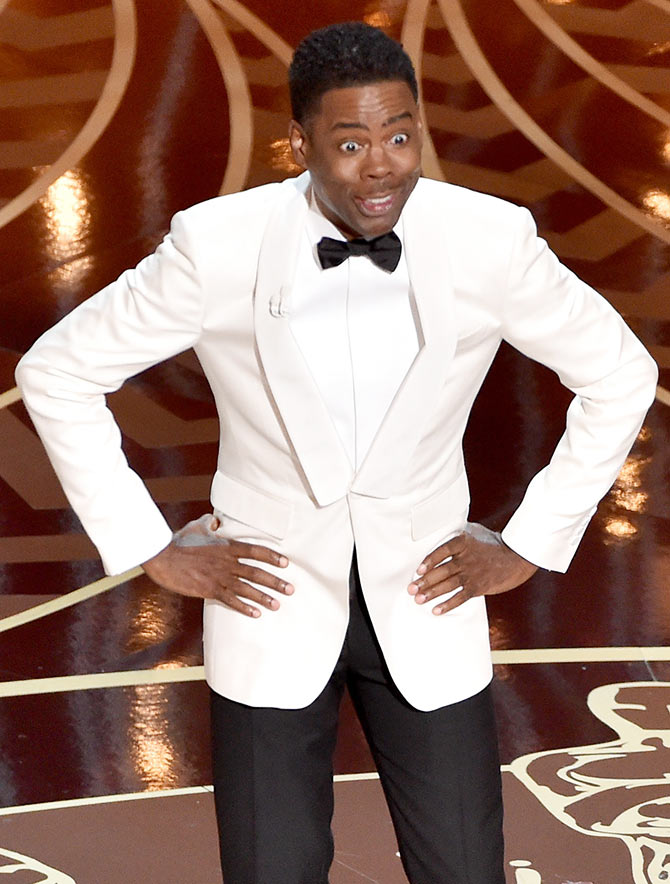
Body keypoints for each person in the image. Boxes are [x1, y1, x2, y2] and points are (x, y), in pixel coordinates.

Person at [15, 21, 657, 884]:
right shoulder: (218, 246)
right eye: (350, 143)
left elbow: (619, 373)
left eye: (400, 135)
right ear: (298, 143)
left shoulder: (489, 238)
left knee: (465, 868)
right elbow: (56, 371)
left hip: (429, 596)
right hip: (268, 596)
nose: (382, 164)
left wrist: (532, 540)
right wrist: (148, 547)